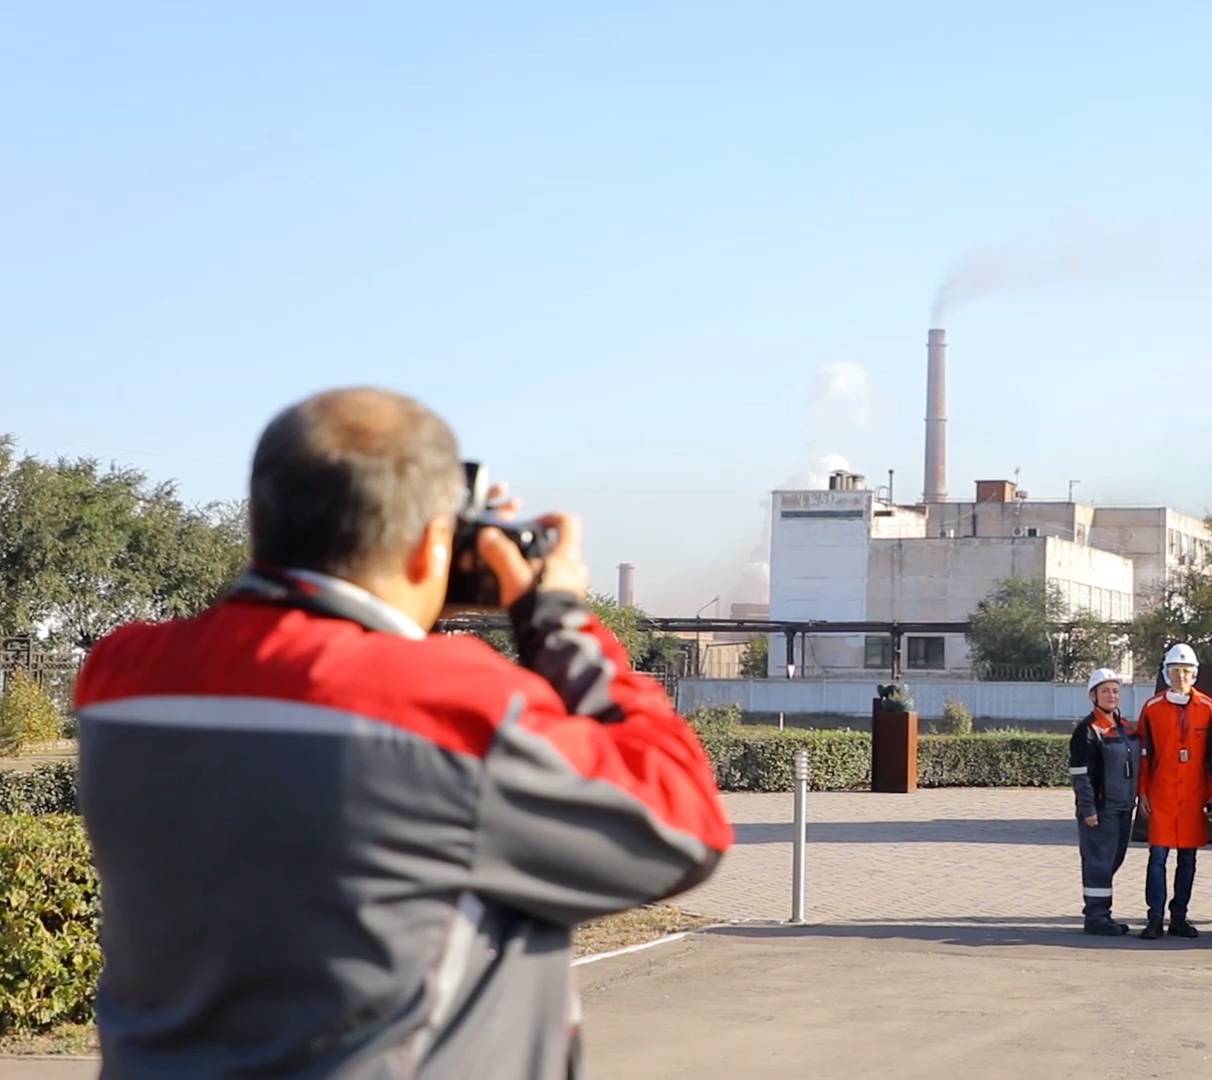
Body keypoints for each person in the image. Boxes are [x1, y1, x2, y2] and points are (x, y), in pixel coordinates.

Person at [72, 387, 733, 1077]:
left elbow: (289, 666)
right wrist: (556, 619)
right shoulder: (453, 708)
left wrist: (409, 592)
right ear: (431, 547)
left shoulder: (121, 679)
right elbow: (682, 827)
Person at [1136, 642, 1212, 940]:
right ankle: (1155, 918)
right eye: (1175, 671)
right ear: (1166, 673)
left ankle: (1179, 917)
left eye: (1186, 671)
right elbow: (1144, 754)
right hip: (1161, 795)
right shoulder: (1152, 708)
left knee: (1188, 859)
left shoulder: (1209, 708)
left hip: (1194, 796)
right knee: (1157, 857)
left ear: (1195, 674)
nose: (1181, 677)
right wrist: (1143, 792)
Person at [1070, 667, 1142, 937]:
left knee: (1113, 860)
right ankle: (1097, 917)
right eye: (1105, 691)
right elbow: (1081, 776)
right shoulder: (1087, 731)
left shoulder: (1125, 728)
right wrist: (1088, 809)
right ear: (1093, 695)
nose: (1111, 695)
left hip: (1124, 808)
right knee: (1099, 863)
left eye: (1114, 690)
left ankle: (1100, 913)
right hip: (1100, 810)